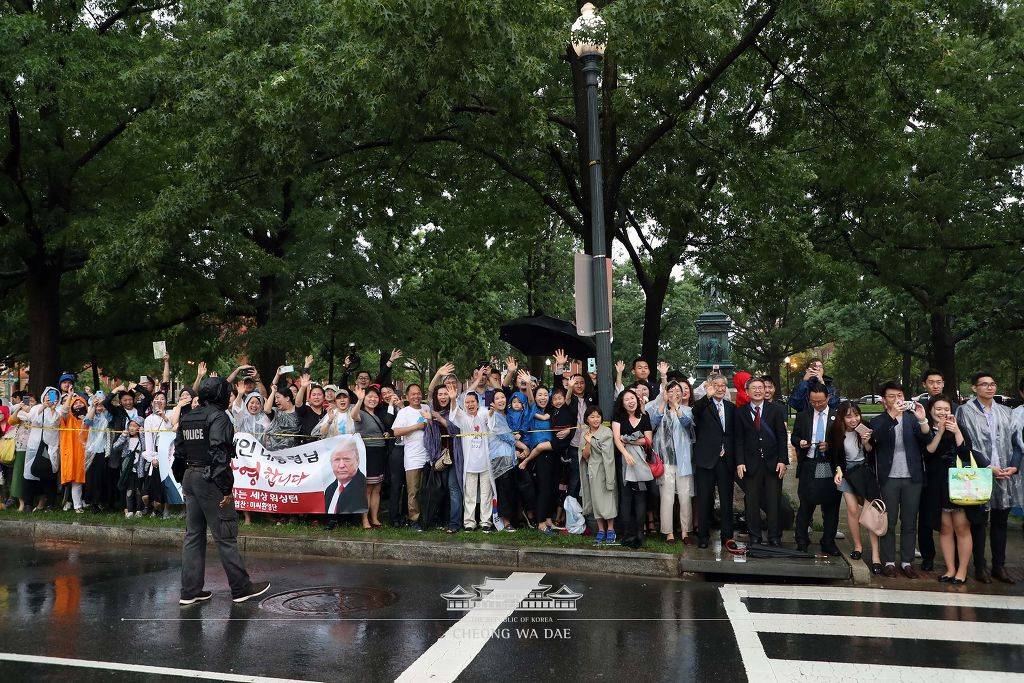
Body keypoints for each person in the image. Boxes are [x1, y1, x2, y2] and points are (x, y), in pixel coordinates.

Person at [175, 376, 269, 606]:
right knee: (225, 536)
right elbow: (219, 453)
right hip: (211, 480)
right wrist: (226, 487)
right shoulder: (220, 418)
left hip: (190, 477)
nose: (229, 397)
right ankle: (241, 588)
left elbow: (178, 452)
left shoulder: (188, 416)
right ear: (218, 396)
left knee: (193, 536)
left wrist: (184, 480)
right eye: (226, 393)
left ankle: (190, 592)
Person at [956, 372, 1022, 584]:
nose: (989, 388)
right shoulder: (965, 412)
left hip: (1004, 473)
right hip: (979, 473)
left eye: (992, 384)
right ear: (974, 388)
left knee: (1000, 521)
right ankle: (980, 566)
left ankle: (999, 566)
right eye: (984, 384)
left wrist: (1014, 466)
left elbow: (1017, 442)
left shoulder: (1006, 411)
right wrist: (986, 466)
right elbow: (963, 444)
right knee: (978, 522)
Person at [868, 381, 930, 578]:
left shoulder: (913, 419)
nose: (897, 400)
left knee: (910, 521)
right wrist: (892, 416)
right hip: (889, 477)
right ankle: (888, 561)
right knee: (889, 521)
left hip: (913, 477)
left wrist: (923, 420)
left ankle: (906, 561)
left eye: (900, 395)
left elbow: (927, 441)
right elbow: (875, 440)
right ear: (884, 400)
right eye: (892, 396)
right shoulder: (878, 420)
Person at [923, 395, 973, 584]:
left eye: (946, 409)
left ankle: (962, 570)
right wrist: (939, 432)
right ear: (931, 411)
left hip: (958, 483)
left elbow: (966, 453)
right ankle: (950, 569)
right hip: (937, 485)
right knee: (945, 528)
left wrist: (957, 430)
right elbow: (928, 452)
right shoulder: (926, 429)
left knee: (961, 527)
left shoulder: (958, 428)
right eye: (938, 409)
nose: (942, 412)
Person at [735, 376, 788, 546]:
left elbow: (781, 436)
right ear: (747, 392)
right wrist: (740, 461)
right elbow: (739, 439)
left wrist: (782, 460)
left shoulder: (775, 410)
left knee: (774, 501)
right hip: (751, 464)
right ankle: (755, 536)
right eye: (754, 388)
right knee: (752, 502)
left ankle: (774, 536)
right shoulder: (741, 412)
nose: (758, 390)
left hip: (773, 463)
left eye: (761, 387)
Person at [792, 385, 842, 555]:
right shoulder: (803, 416)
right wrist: (800, 443)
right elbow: (794, 437)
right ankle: (801, 540)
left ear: (828, 398)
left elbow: (843, 440)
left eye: (820, 402)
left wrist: (830, 445)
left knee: (831, 505)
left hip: (829, 465)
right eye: (813, 402)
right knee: (806, 503)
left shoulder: (838, 416)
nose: (817, 405)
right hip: (810, 463)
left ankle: (828, 541)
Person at [828, 402, 879, 568]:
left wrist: (866, 442)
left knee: (869, 511)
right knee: (852, 509)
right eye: (849, 416)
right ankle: (858, 546)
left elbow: (872, 453)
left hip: (864, 471)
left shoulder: (866, 428)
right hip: (845, 471)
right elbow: (834, 455)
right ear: (842, 417)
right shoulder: (836, 431)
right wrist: (838, 470)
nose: (853, 419)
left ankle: (876, 555)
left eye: (856, 415)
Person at [647, 375, 695, 545]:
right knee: (667, 498)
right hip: (665, 460)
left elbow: (688, 426)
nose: (675, 393)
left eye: (678, 391)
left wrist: (676, 407)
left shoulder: (687, 410)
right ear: (665, 393)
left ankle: (685, 531)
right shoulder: (659, 410)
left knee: (685, 497)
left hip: (684, 461)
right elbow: (651, 425)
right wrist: (664, 403)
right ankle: (668, 533)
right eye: (671, 390)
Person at [692, 372, 737, 548]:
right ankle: (703, 537)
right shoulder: (703, 405)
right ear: (710, 386)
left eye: (723, 385)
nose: (720, 388)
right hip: (706, 459)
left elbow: (733, 433)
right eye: (716, 385)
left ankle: (728, 537)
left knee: (727, 500)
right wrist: (706, 396)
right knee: (704, 499)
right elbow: (694, 414)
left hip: (725, 460)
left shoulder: (731, 407)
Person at [917, 368, 952, 570]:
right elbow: (926, 446)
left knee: (953, 518)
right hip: (928, 473)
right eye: (931, 382)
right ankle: (928, 556)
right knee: (926, 517)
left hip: (951, 475)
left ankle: (952, 558)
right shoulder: (921, 411)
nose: (936, 385)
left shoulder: (954, 410)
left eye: (939, 381)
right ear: (925, 384)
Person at [449, 376, 493, 532]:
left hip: (485, 461)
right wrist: (454, 400)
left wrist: (492, 413)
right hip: (470, 462)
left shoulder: (484, 413)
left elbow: (492, 422)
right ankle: (469, 522)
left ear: (478, 402)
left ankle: (486, 522)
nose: (470, 404)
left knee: (486, 493)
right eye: (467, 402)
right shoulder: (463, 417)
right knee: (470, 494)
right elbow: (453, 415)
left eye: (472, 401)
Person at [612, 389, 653, 548]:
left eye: (632, 398)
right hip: (624, 461)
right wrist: (626, 453)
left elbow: (648, 441)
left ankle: (639, 533)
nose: (630, 401)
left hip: (642, 463)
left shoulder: (645, 416)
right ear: (622, 403)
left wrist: (629, 441)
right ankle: (627, 534)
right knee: (626, 498)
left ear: (637, 399)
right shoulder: (619, 417)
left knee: (641, 498)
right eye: (626, 399)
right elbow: (617, 439)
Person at [391, 384, 431, 531]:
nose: (416, 396)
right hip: (413, 458)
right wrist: (417, 426)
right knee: (413, 491)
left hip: (428, 457)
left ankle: (426, 518)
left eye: (419, 393)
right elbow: (396, 432)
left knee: (426, 490)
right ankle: (414, 520)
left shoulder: (426, 408)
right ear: (407, 397)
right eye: (413, 394)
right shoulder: (404, 412)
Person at [350, 387, 391, 529]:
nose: (372, 399)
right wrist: (359, 399)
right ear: (364, 398)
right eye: (369, 397)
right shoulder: (360, 413)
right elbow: (352, 415)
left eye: (375, 397)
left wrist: (385, 434)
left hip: (380, 452)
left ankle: (375, 517)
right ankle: (365, 519)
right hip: (367, 453)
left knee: (377, 488)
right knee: (367, 488)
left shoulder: (379, 414)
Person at [580, 406, 616, 543]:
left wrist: (592, 441)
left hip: (606, 469)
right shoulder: (585, 433)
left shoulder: (606, 431)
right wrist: (588, 443)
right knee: (595, 499)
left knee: (607, 499)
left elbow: (606, 452)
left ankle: (611, 529)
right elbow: (584, 455)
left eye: (598, 416)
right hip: (592, 471)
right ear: (587, 419)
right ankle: (601, 529)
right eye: (592, 417)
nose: (596, 419)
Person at [23, 386, 61, 512]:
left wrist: (52, 409)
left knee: (49, 474)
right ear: (43, 395)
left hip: (50, 446)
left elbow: (56, 422)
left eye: (54, 395)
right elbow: (30, 419)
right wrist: (43, 407)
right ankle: (28, 503)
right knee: (29, 473)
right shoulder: (36, 407)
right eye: (48, 395)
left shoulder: (58, 410)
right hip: (34, 445)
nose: (50, 398)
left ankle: (50, 503)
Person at [57, 393, 89, 513]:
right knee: (76, 480)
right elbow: (64, 411)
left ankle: (87, 502)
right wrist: (70, 396)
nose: (78, 404)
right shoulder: (68, 417)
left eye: (81, 402)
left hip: (88, 452)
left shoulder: (88, 418)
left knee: (88, 479)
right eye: (75, 403)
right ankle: (77, 506)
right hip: (72, 453)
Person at [82, 393, 112, 512]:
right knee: (91, 477)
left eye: (101, 402)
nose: (99, 405)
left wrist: (104, 409)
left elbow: (110, 421)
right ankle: (90, 501)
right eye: (97, 402)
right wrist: (94, 408)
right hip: (91, 449)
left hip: (104, 450)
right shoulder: (91, 411)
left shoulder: (107, 413)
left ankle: (100, 501)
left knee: (101, 477)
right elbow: (87, 423)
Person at [113, 417, 146, 518]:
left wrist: (143, 434)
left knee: (138, 489)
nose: (132, 428)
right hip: (128, 468)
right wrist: (123, 436)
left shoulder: (142, 438)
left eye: (135, 426)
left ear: (140, 428)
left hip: (139, 467)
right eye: (130, 426)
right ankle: (130, 510)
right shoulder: (126, 438)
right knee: (129, 489)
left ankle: (139, 510)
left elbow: (145, 448)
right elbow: (115, 446)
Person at [324, 443, 367, 514]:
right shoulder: (329, 490)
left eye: (346, 459)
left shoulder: (362, 486)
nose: (341, 465)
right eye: (337, 460)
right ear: (331, 463)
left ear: (357, 461)